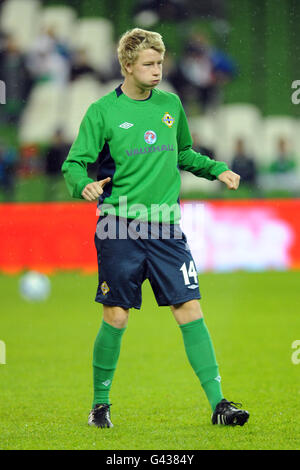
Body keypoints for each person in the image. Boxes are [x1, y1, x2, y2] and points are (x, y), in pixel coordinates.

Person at [62, 28, 249, 429]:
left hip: (167, 230)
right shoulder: (102, 111)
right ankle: (99, 406)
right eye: (148, 63)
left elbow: (182, 151)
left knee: (190, 309)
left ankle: (220, 405)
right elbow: (74, 163)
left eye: (160, 63)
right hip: (119, 227)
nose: (157, 70)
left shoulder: (171, 105)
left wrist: (217, 169)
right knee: (116, 316)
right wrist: (84, 184)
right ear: (127, 66)